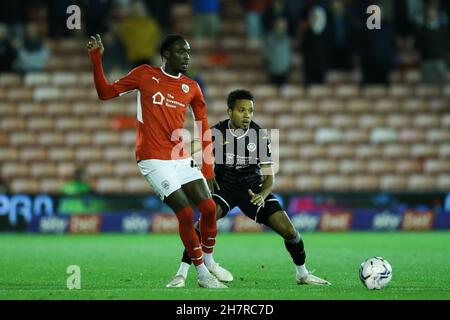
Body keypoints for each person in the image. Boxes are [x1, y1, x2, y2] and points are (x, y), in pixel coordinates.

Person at [87, 33, 229, 289]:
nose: (187, 56)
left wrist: (208, 167)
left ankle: (209, 260)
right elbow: (105, 93)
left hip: (179, 156)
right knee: (185, 213)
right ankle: (202, 275)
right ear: (166, 55)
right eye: (181, 51)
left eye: (188, 52)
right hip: (152, 157)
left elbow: (202, 125)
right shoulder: (144, 74)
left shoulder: (192, 87)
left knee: (208, 209)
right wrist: (96, 59)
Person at [167, 89, 330, 288]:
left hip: (252, 190)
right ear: (230, 112)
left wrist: (263, 194)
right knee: (203, 223)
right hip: (224, 187)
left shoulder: (259, 136)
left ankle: (302, 273)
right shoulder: (217, 132)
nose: (247, 115)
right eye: (242, 110)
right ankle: (181, 272)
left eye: (250, 111)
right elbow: (190, 148)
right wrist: (177, 157)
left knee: (289, 230)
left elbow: (269, 176)